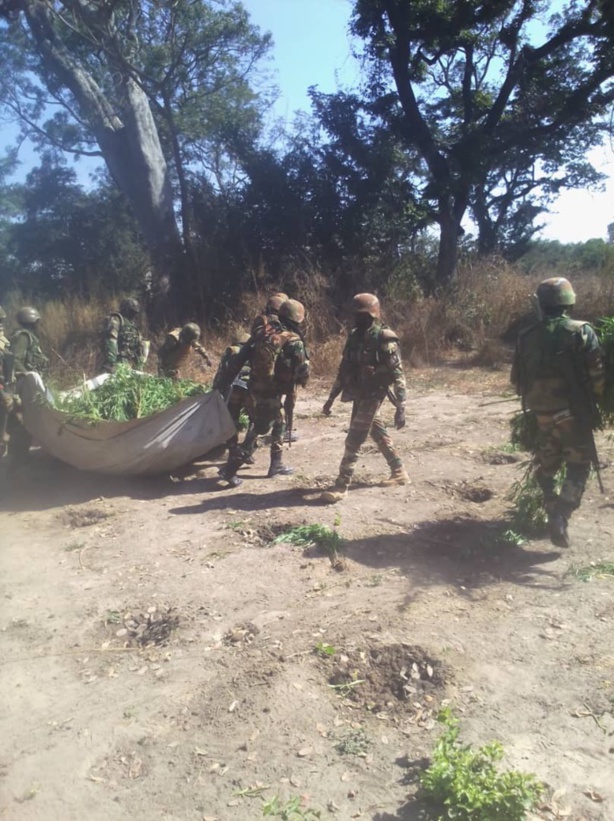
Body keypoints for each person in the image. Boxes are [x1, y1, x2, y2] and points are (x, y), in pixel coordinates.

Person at [511, 277, 605, 548]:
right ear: (569, 301)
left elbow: (516, 380)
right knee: (578, 464)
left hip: (540, 413)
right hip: (572, 412)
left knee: (547, 465)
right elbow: (597, 374)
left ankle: (551, 504)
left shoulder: (526, 335)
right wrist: (597, 402)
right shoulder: (581, 331)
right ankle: (561, 513)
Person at [319, 293, 409, 503]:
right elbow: (344, 370)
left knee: (353, 440)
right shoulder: (354, 337)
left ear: (372, 315)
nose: (357, 319)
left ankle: (341, 486)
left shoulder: (385, 338)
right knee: (376, 431)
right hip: (358, 393)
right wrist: (331, 398)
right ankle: (399, 471)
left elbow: (398, 374)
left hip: (374, 394)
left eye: (362, 315)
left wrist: (401, 405)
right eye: (356, 315)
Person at [217, 299, 310, 488]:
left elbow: (243, 356)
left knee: (279, 422)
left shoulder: (263, 332)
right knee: (260, 429)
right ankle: (230, 470)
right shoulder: (293, 340)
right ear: (298, 318)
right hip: (271, 391)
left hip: (255, 387)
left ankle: (276, 464)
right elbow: (302, 371)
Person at [4, 306, 49, 471]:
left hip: (27, 385)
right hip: (21, 386)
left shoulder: (29, 337)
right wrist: (28, 377)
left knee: (26, 421)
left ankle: (20, 458)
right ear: (32, 320)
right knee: (22, 422)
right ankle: (16, 462)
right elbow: (15, 361)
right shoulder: (23, 337)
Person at [212, 331, 252, 448]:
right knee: (253, 418)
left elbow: (222, 371)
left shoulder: (232, 350)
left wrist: (216, 388)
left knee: (232, 417)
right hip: (250, 388)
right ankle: (248, 446)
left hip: (235, 389)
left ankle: (232, 445)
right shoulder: (253, 352)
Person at [102, 297, 145, 372]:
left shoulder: (133, 326)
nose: (133, 315)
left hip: (129, 362)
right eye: (132, 311)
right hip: (116, 361)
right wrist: (111, 362)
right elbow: (111, 340)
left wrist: (139, 365)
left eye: (134, 312)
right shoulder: (116, 319)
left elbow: (140, 346)